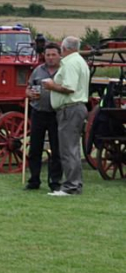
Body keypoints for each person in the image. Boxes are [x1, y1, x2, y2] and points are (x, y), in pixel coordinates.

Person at [41, 36, 90, 196]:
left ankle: (71, 186)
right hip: (75, 108)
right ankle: (74, 184)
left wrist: (51, 85)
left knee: (68, 149)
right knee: (72, 148)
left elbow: (69, 88)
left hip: (70, 108)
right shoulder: (80, 61)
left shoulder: (70, 63)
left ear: (64, 48)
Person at [24, 43, 63, 191]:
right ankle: (34, 180)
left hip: (56, 113)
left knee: (56, 149)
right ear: (44, 56)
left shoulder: (63, 71)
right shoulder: (37, 71)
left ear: (59, 55)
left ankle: (55, 182)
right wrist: (28, 93)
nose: (51, 58)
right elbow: (28, 87)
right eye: (48, 55)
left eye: (54, 55)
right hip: (38, 112)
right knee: (35, 148)